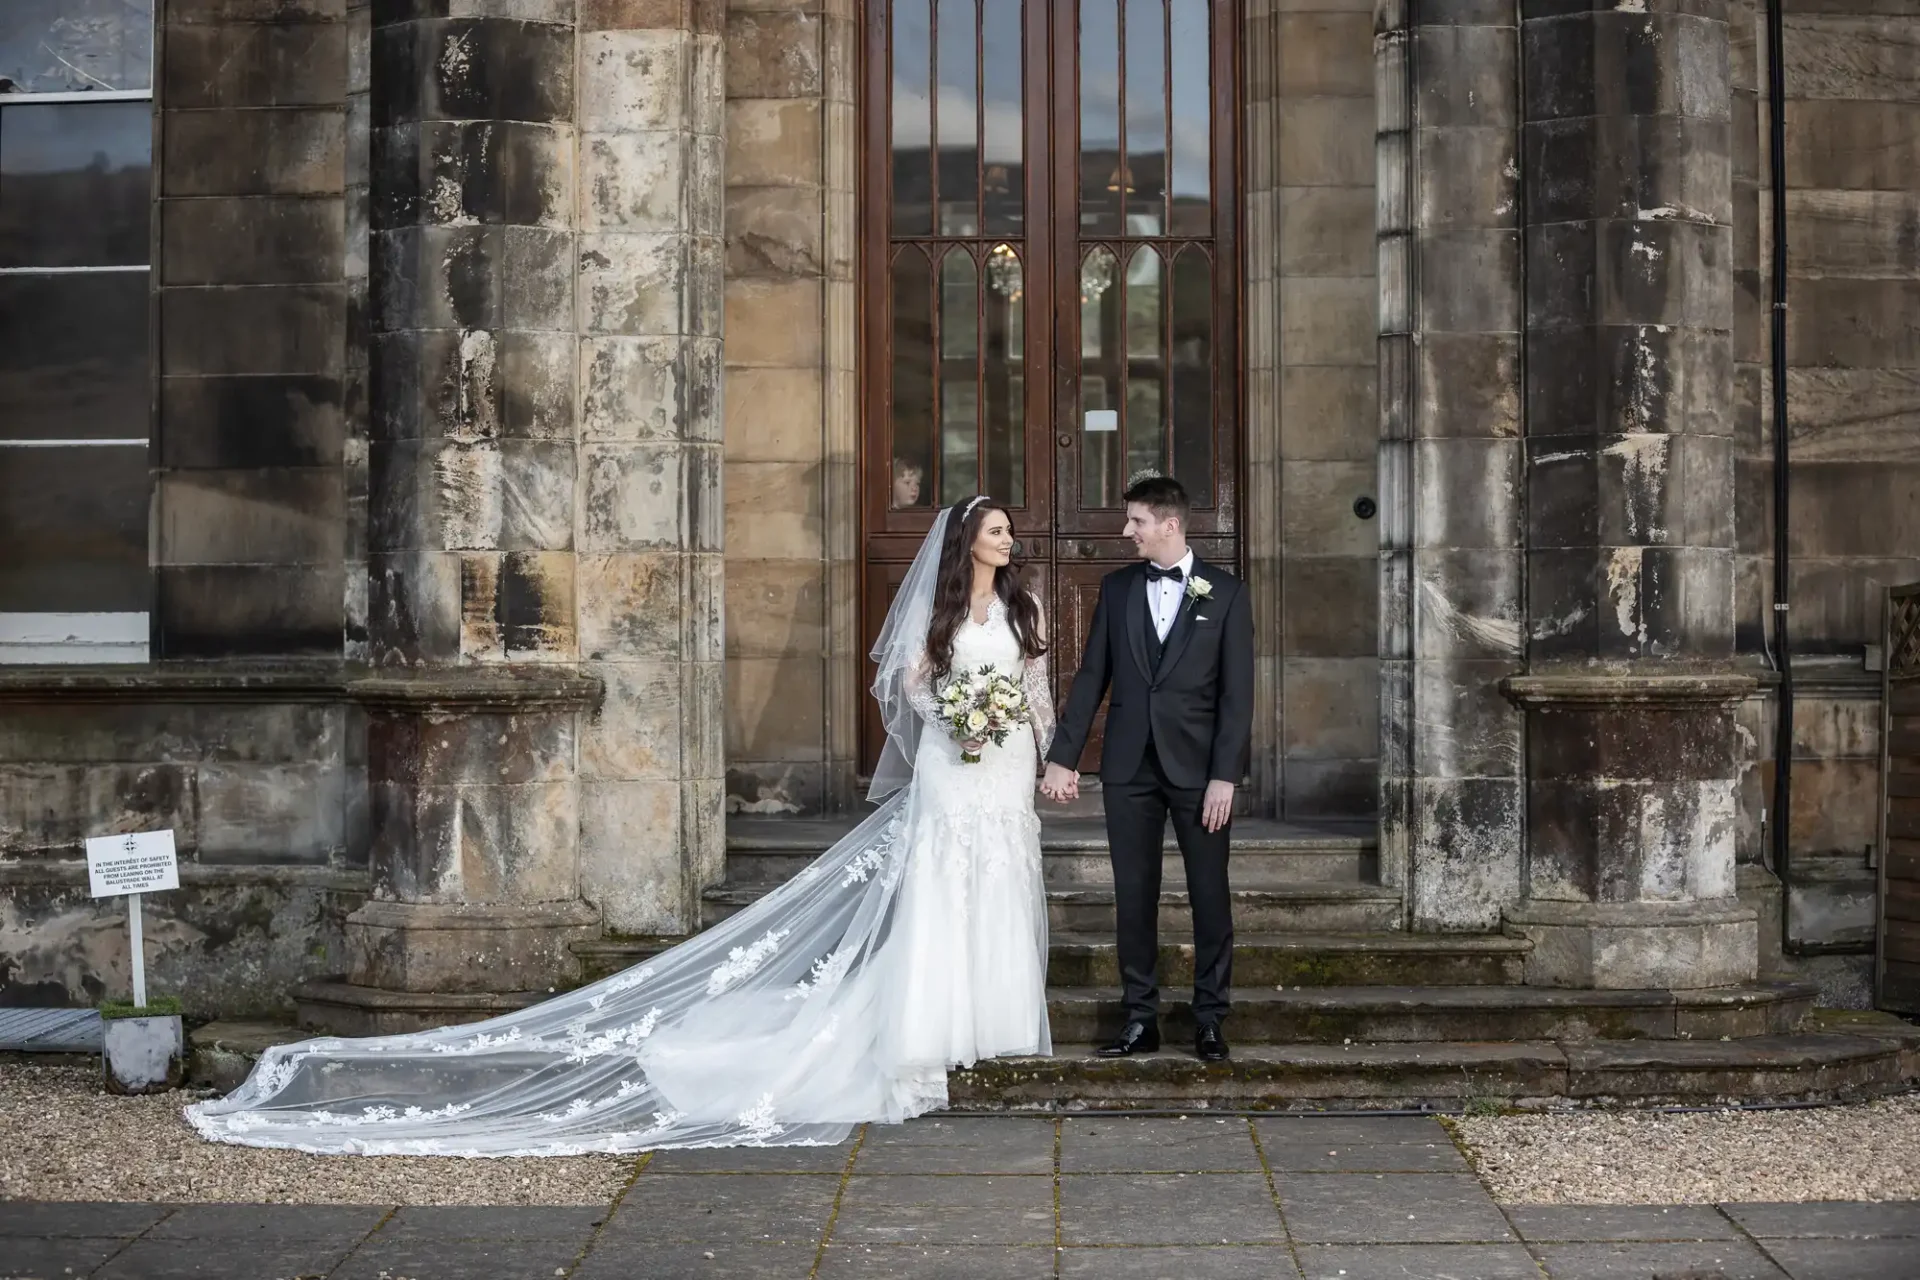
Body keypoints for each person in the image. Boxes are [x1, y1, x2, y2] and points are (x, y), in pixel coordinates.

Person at [185, 497, 1054, 1154]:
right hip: (949, 765)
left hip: (1003, 770)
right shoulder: (940, 619)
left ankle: (1002, 1027)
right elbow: (908, 690)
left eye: (1009, 535)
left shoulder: (1026, 610)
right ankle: (935, 1034)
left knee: (1002, 885)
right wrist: (953, 714)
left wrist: (1023, 736)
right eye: (996, 533)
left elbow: (1040, 694)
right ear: (965, 543)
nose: (1007, 544)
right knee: (942, 891)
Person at [1041, 473, 1253, 1063]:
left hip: (1200, 774)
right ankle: (1141, 1018)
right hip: (1129, 768)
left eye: (1135, 521)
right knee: (1134, 895)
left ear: (1170, 524)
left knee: (1210, 895)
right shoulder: (1117, 589)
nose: (1126, 531)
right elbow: (1091, 678)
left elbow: (1238, 695)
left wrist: (1225, 775)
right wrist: (1064, 756)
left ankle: (1210, 1018)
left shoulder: (1227, 593)